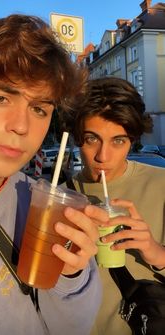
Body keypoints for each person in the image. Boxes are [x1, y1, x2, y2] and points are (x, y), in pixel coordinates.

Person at [0, 15, 109, 335]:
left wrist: (71, 276)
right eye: (1, 98)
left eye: (39, 108)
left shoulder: (42, 201)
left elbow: (71, 329)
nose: (21, 126)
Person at [62, 76, 165, 335]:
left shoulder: (161, 185)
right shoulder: (60, 198)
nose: (102, 157)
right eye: (91, 139)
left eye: (118, 141)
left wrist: (156, 252)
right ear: (77, 138)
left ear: (133, 140)